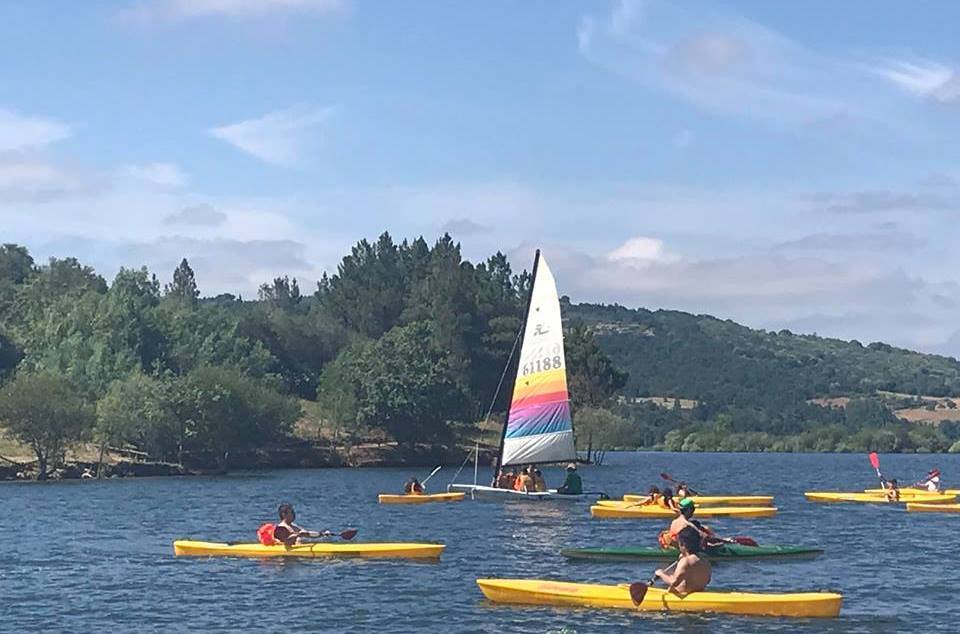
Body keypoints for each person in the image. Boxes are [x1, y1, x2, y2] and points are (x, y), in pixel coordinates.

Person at [654, 526, 712, 597]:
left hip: (681, 595)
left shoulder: (686, 561)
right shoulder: (706, 561)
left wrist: (661, 573)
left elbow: (674, 582)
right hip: (699, 594)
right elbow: (708, 580)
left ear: (682, 545)